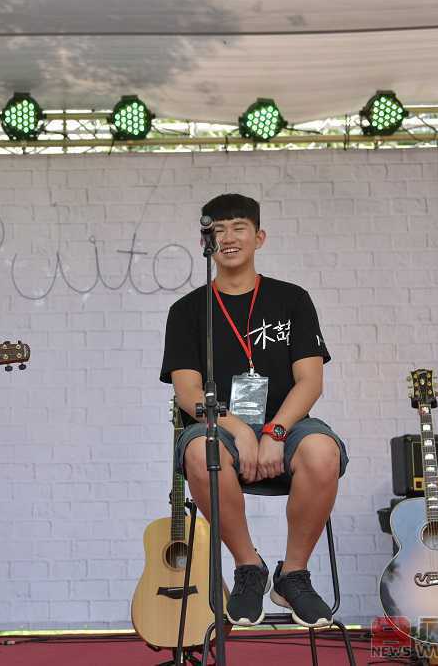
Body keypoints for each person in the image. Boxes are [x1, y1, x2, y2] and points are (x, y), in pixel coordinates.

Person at [160, 194, 348, 628]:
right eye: (217, 230)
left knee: (323, 451)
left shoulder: (292, 299)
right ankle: (249, 567)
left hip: (287, 425)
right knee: (197, 452)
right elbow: (186, 391)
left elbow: (310, 381)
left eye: (238, 227)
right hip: (219, 427)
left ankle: (293, 575)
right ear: (205, 241)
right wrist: (239, 430)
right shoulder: (187, 311)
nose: (227, 237)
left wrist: (275, 432)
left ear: (258, 237)